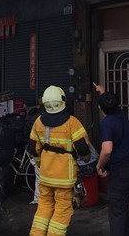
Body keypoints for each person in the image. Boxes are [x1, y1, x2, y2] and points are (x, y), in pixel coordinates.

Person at [28, 85, 91, 236]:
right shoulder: (72, 122)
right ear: (63, 100)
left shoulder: (38, 122)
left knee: (43, 208)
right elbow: (83, 149)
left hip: (45, 175)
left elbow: (33, 148)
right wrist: (86, 159)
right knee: (62, 211)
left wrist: (40, 164)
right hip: (64, 177)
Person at [93, 83, 129, 236]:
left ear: (100, 108)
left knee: (117, 212)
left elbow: (107, 150)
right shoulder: (121, 113)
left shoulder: (106, 123)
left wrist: (99, 166)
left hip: (122, 172)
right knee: (122, 206)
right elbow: (110, 102)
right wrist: (102, 92)